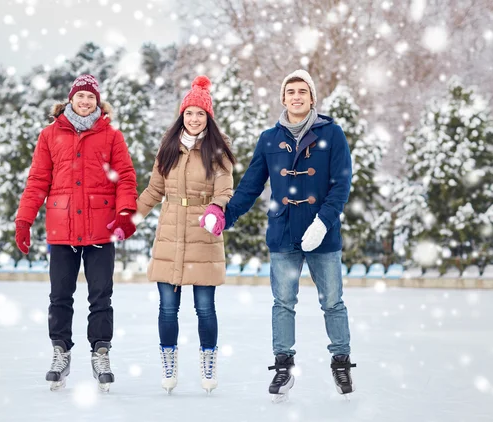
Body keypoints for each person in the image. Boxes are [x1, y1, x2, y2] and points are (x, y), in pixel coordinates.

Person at [216, 69, 356, 400]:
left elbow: (341, 183)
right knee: (283, 303)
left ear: (312, 98)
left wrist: (323, 222)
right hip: (283, 233)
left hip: (324, 235)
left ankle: (341, 362)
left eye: (302, 92)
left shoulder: (332, 134)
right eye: (290, 92)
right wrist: (227, 215)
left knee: (333, 302)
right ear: (283, 98)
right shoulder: (269, 139)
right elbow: (251, 184)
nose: (296, 96)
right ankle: (283, 365)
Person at [15, 74, 138, 392]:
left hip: (101, 228)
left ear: (98, 103)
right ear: (70, 100)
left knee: (101, 296)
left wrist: (125, 213)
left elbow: (125, 176)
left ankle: (101, 352)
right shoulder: (49, 135)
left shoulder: (111, 136)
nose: (85, 102)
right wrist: (24, 220)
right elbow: (38, 180)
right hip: (62, 227)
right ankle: (60, 351)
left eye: (91, 98)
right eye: (80, 97)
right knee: (59, 296)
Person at [135, 76, 235, 394]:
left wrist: (216, 209)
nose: (194, 119)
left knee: (205, 307)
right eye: (189, 113)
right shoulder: (168, 148)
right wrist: (131, 218)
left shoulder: (217, 151)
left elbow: (225, 188)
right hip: (170, 234)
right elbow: (154, 190)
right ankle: (169, 362)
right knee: (167, 307)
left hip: (203, 232)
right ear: (182, 115)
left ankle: (208, 362)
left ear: (208, 118)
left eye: (200, 114)